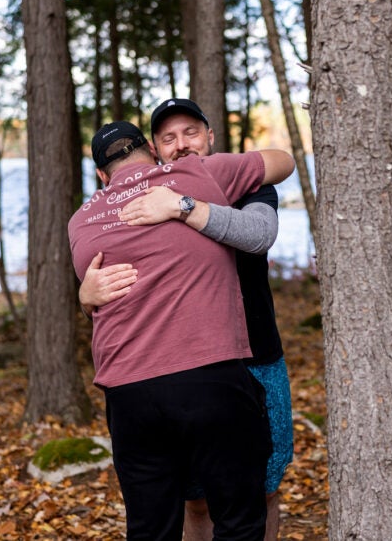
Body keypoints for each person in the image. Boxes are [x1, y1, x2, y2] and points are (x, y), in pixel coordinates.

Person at [68, 120, 295, 541]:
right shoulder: (197, 173)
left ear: (101, 174)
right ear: (152, 152)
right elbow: (283, 161)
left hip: (128, 395)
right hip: (209, 375)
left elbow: (110, 299)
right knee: (239, 521)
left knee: (150, 528)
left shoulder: (80, 222)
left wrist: (85, 298)